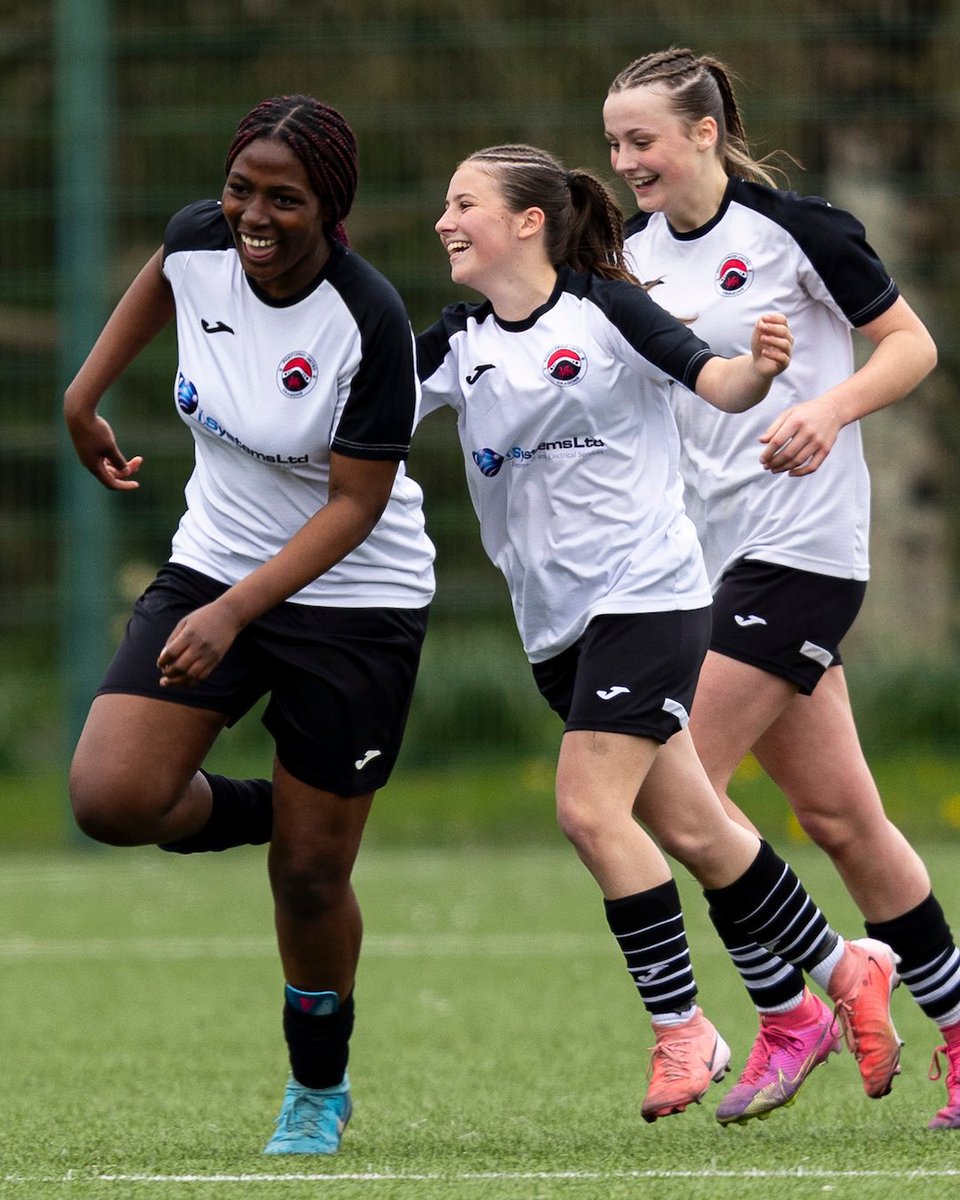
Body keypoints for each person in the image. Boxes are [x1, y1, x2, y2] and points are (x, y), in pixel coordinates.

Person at [414, 141, 901, 1125]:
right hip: (554, 623)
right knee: (693, 826)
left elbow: (715, 383)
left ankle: (685, 1028)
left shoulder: (605, 309)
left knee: (591, 813)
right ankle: (839, 972)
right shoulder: (459, 337)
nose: (443, 221)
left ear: (527, 221)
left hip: (650, 596)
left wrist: (760, 372)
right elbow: (362, 420)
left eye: (462, 202)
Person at [63, 94, 435, 1156]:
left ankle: (317, 1089)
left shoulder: (367, 318)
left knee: (312, 879)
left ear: (330, 207)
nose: (253, 215)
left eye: (284, 198)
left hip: (354, 600)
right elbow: (159, 284)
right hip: (214, 565)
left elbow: (355, 506)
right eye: (241, 189)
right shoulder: (198, 240)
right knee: (111, 796)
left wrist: (236, 614)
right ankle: (297, 805)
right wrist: (82, 398)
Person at [603, 46, 960, 1130]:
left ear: (705, 133)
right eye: (614, 144)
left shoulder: (795, 230)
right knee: (842, 819)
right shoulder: (623, 256)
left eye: (644, 141)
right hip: (700, 564)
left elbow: (912, 347)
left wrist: (831, 409)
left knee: (678, 788)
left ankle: (788, 1006)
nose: (626, 163)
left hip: (802, 552)